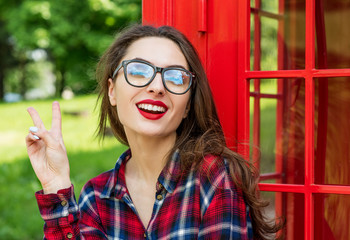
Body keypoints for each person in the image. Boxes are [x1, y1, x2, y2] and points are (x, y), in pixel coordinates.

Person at [26, 25, 282, 239]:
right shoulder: (97, 196)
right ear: (112, 91)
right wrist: (55, 184)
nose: (157, 86)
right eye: (139, 71)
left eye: (175, 77)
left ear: (187, 106)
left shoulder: (214, 178)